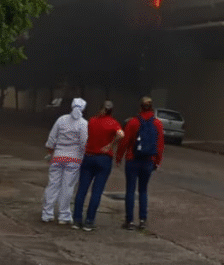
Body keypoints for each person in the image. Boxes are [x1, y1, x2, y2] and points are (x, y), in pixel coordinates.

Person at [73, 101, 124, 232]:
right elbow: (121, 134)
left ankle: (77, 219)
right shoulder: (113, 123)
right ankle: (89, 221)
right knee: (97, 191)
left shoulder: (92, 121)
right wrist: (110, 145)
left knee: (82, 189)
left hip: (89, 156)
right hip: (104, 158)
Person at [117, 97, 164, 231]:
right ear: (152, 107)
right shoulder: (157, 124)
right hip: (148, 160)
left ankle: (129, 221)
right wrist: (157, 161)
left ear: (140, 107)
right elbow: (160, 145)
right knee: (143, 190)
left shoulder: (133, 122)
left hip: (133, 159)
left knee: (130, 190)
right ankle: (143, 220)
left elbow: (125, 141)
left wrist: (119, 157)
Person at [42, 98, 88, 225]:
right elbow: (84, 143)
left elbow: (51, 139)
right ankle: (64, 215)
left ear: (71, 106)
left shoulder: (61, 120)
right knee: (67, 187)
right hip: (74, 159)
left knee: (53, 185)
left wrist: (50, 152)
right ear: (84, 109)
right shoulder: (83, 123)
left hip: (58, 157)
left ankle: (47, 213)